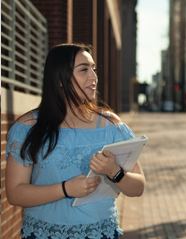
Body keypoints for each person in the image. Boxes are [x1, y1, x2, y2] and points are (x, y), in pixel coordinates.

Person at [5, 43, 146, 239]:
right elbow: (15, 193)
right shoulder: (27, 127)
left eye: (93, 69)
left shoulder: (110, 125)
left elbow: (138, 187)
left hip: (101, 234)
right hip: (42, 234)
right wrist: (65, 189)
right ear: (60, 78)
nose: (93, 77)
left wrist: (114, 172)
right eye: (84, 70)